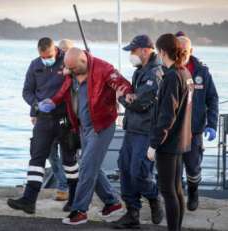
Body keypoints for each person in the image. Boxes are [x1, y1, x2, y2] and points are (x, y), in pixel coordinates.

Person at [38, 47, 133, 225]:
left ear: (83, 61)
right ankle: (112, 202)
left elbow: (122, 83)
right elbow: (65, 89)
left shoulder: (104, 69)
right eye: (68, 68)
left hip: (101, 126)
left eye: (72, 69)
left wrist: (126, 93)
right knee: (89, 166)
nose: (69, 72)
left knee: (87, 167)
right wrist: (53, 101)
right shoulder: (73, 72)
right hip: (83, 127)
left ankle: (80, 210)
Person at [7, 37, 79, 214]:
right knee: (37, 158)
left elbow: (82, 81)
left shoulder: (68, 61)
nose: (46, 60)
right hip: (44, 118)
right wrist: (36, 105)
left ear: (55, 50)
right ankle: (29, 200)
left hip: (65, 118)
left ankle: (75, 199)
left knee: (69, 161)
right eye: (42, 57)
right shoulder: (34, 65)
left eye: (49, 56)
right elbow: (26, 91)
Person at [112, 35, 164, 229]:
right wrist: (130, 97)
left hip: (145, 131)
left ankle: (154, 197)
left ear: (144, 50)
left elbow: (141, 103)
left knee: (139, 173)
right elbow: (136, 97)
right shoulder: (140, 71)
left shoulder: (154, 73)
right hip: (132, 129)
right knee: (124, 169)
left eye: (133, 51)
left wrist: (122, 98)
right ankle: (132, 213)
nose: (131, 55)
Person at [147, 33, 194, 231]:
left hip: (168, 143)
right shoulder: (185, 73)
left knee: (168, 191)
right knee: (177, 190)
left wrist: (153, 144)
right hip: (181, 140)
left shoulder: (173, 76)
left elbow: (167, 116)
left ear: (163, 52)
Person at [176, 32, 219, 211]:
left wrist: (211, 125)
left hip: (194, 131)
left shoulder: (202, 70)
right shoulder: (167, 69)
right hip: (173, 132)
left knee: (193, 168)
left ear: (191, 50)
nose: (182, 53)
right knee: (174, 172)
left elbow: (213, 99)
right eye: (178, 50)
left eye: (185, 50)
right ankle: (177, 201)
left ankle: (193, 193)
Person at [46, 39, 75, 202]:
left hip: (68, 120)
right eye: (61, 50)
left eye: (67, 51)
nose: (63, 53)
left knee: (68, 157)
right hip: (50, 118)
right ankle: (63, 182)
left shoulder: (76, 71)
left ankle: (66, 187)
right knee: (50, 153)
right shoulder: (52, 68)